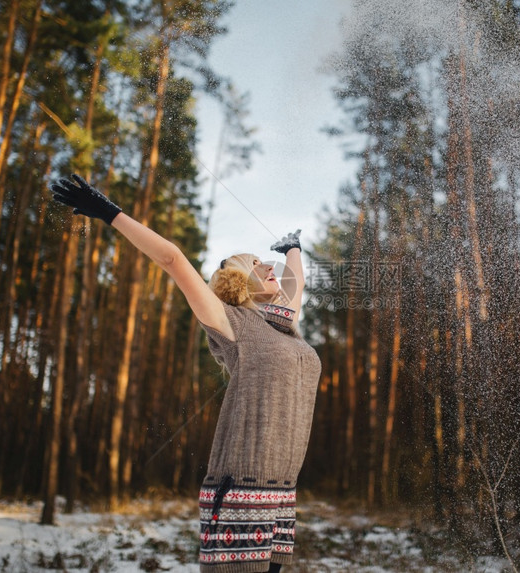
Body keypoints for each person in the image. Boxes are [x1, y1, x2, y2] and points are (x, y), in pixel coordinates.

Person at [51, 175, 322, 573]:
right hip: (241, 487)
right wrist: (109, 213)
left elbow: (294, 290)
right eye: (258, 263)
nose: (271, 268)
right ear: (238, 281)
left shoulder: (282, 326)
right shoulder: (231, 321)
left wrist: (292, 246)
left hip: (280, 491)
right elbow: (173, 259)